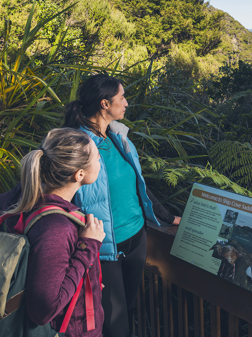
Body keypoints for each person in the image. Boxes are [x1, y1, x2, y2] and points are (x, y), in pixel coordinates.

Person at [63, 74, 181, 337]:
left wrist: (169, 218)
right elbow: (60, 194)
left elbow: (138, 185)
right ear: (105, 104)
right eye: (122, 97)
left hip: (137, 238)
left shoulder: (119, 138)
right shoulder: (77, 146)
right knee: (114, 323)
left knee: (128, 308)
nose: (126, 103)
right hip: (103, 249)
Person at [0, 128, 105, 337]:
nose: (100, 159)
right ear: (79, 174)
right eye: (98, 156)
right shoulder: (57, 229)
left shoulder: (26, 198)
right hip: (67, 331)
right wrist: (88, 247)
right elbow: (43, 312)